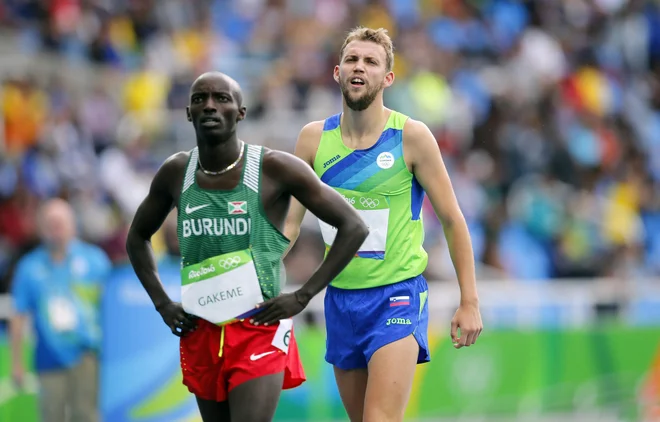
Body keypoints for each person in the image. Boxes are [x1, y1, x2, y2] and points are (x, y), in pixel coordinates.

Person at [125, 71, 369, 422]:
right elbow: (137, 237)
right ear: (188, 113)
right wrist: (162, 303)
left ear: (240, 112)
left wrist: (303, 295)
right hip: (200, 327)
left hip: (258, 326)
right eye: (200, 99)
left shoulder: (275, 167)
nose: (210, 105)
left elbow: (353, 226)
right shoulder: (176, 172)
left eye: (221, 98)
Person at [283, 27, 484, 422]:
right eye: (353, 60)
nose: (360, 67)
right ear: (337, 72)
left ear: (387, 78)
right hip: (340, 300)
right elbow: (289, 225)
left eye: (371, 62)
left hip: (396, 295)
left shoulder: (411, 137)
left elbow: (453, 219)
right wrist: (254, 275)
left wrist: (470, 302)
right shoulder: (312, 140)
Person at [10, 198, 112, 422]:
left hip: (87, 354)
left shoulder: (95, 260)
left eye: (60, 222)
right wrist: (16, 363)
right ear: (41, 228)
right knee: (51, 415)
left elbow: (111, 306)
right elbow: (18, 315)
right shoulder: (29, 267)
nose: (56, 229)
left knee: (86, 415)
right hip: (48, 357)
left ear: (73, 224)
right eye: (50, 223)